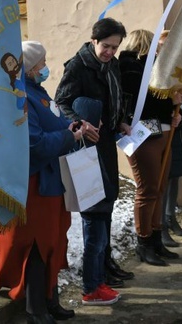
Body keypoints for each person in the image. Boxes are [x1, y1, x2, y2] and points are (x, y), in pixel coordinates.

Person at [0, 41, 87, 321]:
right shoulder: (18, 96)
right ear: (30, 67)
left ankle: (49, 298)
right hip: (34, 184)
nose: (46, 68)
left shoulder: (36, 90)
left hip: (51, 180)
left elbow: (52, 122)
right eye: (42, 63)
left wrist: (71, 128)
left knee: (54, 240)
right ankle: (36, 307)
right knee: (37, 244)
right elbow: (33, 144)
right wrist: (70, 136)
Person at [55, 17, 133, 304]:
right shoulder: (77, 65)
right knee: (94, 213)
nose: (111, 52)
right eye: (106, 46)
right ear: (93, 40)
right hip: (87, 150)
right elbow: (61, 102)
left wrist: (121, 121)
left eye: (115, 47)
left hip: (107, 144)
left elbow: (115, 98)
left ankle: (101, 274)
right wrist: (79, 124)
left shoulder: (112, 64)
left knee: (106, 209)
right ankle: (92, 284)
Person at [117, 29, 182, 267]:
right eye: (156, 46)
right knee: (148, 189)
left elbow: (158, 100)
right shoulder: (132, 68)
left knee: (159, 187)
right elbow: (143, 98)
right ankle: (144, 241)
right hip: (144, 132)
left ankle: (156, 238)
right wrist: (169, 101)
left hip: (161, 129)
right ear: (147, 45)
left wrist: (174, 113)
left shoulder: (150, 66)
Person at [156, 31, 182, 248]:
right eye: (163, 45)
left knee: (174, 177)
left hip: (178, 128)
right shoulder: (157, 70)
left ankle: (170, 218)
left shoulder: (175, 70)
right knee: (163, 178)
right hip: (164, 128)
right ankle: (160, 224)